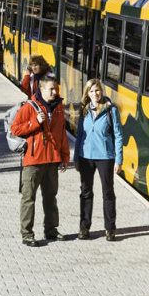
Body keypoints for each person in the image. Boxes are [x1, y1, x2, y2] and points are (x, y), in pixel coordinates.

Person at [10, 75, 70, 246]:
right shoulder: (30, 107)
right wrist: (34, 122)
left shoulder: (58, 107)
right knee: (29, 197)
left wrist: (65, 157)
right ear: (41, 89)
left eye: (56, 89)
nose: (54, 92)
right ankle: (27, 234)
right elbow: (15, 129)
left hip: (52, 160)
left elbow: (61, 134)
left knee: (51, 197)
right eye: (51, 89)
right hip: (33, 160)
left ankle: (51, 229)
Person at [74, 78, 123, 241]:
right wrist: (76, 158)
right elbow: (80, 134)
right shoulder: (84, 110)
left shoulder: (111, 110)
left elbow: (118, 135)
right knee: (86, 192)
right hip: (85, 156)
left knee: (108, 192)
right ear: (87, 94)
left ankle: (110, 229)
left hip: (105, 157)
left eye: (97, 90)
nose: (95, 93)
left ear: (101, 91)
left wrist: (118, 160)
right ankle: (84, 228)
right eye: (91, 91)